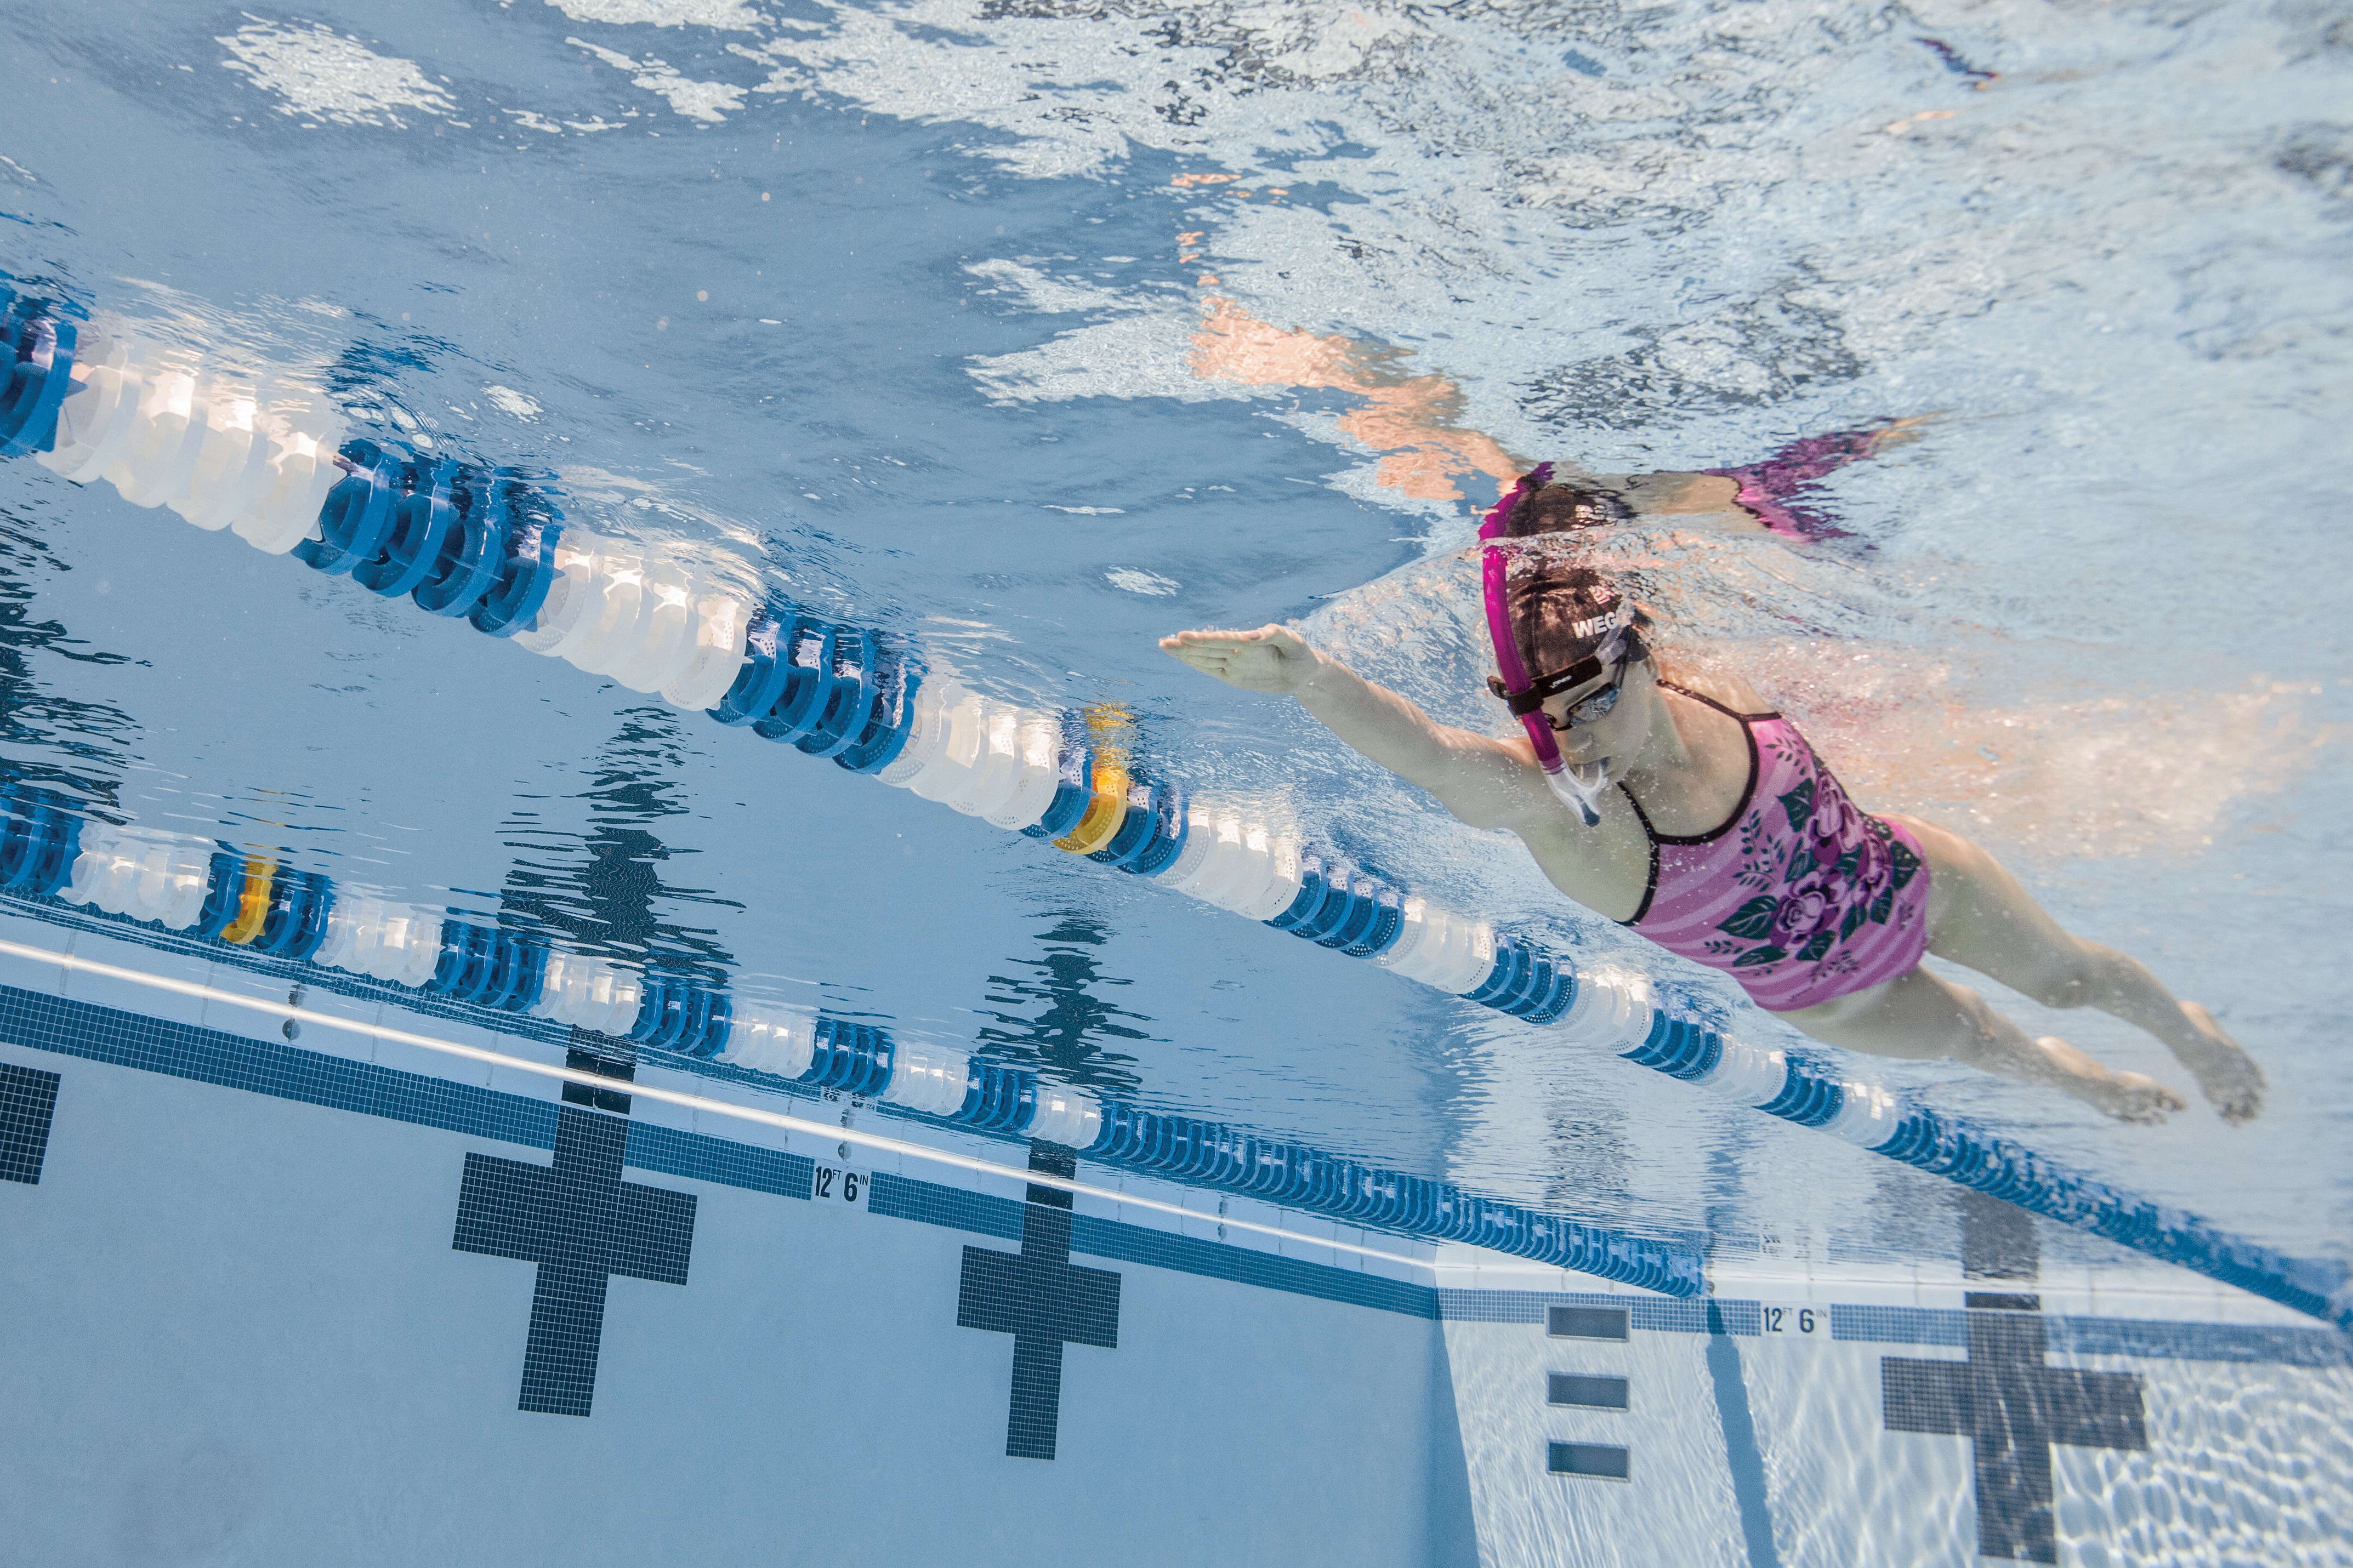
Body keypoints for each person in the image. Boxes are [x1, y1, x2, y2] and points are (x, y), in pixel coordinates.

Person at [1160, 465, 2264, 1125]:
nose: (1573, 725)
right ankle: (2083, 1088)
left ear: (1646, 655)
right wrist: (1313, 680)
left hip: (1915, 884)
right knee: (1986, 1042)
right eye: (1547, 708)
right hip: (1843, 1000)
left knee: (2070, 976)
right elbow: (1435, 762)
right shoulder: (1576, 816)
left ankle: (2186, 1030)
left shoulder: (1711, 684)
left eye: (1595, 692)